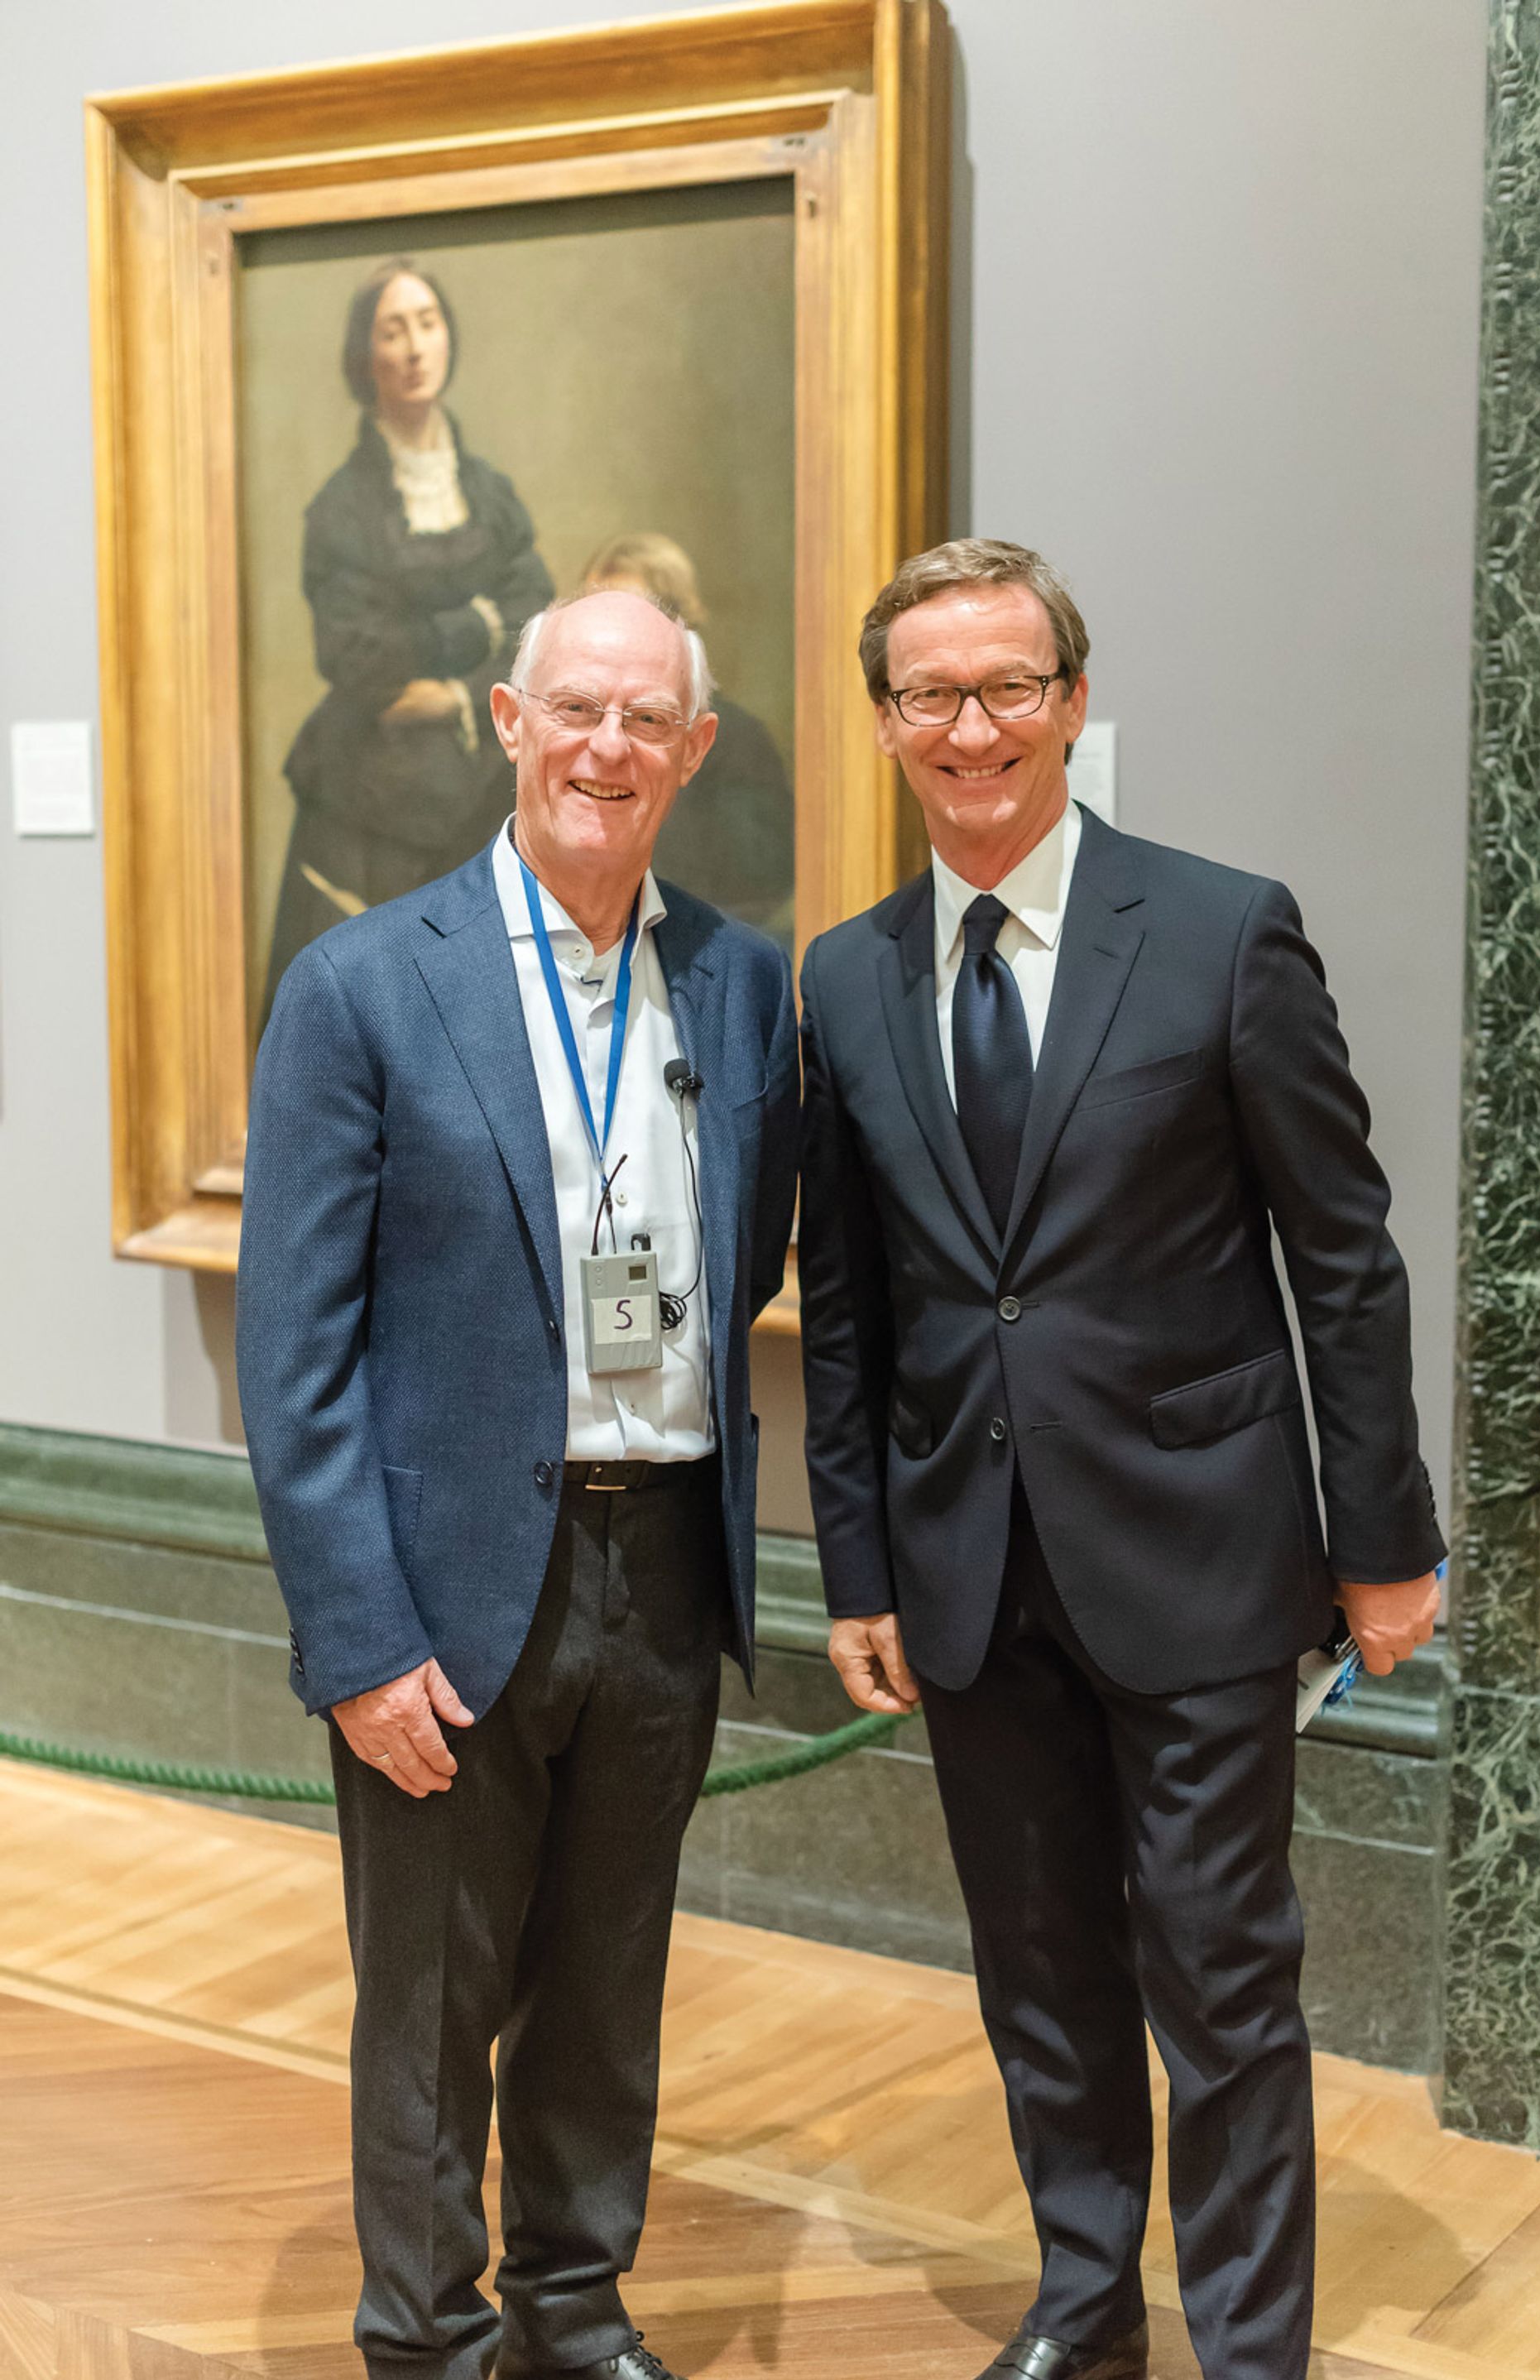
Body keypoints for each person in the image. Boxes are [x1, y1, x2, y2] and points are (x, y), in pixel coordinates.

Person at [796, 539, 1445, 2380]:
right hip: (969, 1573)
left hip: (1202, 1558)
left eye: (1009, 684)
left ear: (1072, 701)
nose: (973, 726)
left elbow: (1341, 1256)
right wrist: (858, 1566)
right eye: (932, 693)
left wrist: (1383, 1542)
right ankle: (1084, 2310)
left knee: (1224, 1982)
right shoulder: (846, 978)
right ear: (887, 722)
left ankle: (1248, 2349)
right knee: (1041, 1975)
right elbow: (847, 1307)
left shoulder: (1225, 930)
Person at [237, 586, 798, 2380]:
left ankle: (573, 2305)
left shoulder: (743, 980)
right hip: (449, 1582)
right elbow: (295, 1359)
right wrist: (357, 1638)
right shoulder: (361, 985)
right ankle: (426, 2335)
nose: (606, 749)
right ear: (508, 719)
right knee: (431, 1999)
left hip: (668, 1562)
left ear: (693, 751)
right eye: (576, 709)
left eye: (646, 721)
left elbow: (747, 1255)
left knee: (607, 1985)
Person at [262, 256, 555, 1018]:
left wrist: (457, 693)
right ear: (366, 357)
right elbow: (357, 655)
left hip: (483, 789)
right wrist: (475, 623)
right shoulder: (342, 509)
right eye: (393, 331)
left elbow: (534, 620)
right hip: (368, 802)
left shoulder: (490, 494)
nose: (416, 346)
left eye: (428, 323)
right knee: (368, 1013)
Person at [581, 533, 794, 946]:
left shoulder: (738, 740)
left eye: (630, 621)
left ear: (679, 627)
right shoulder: (569, 734)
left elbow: (760, 880)